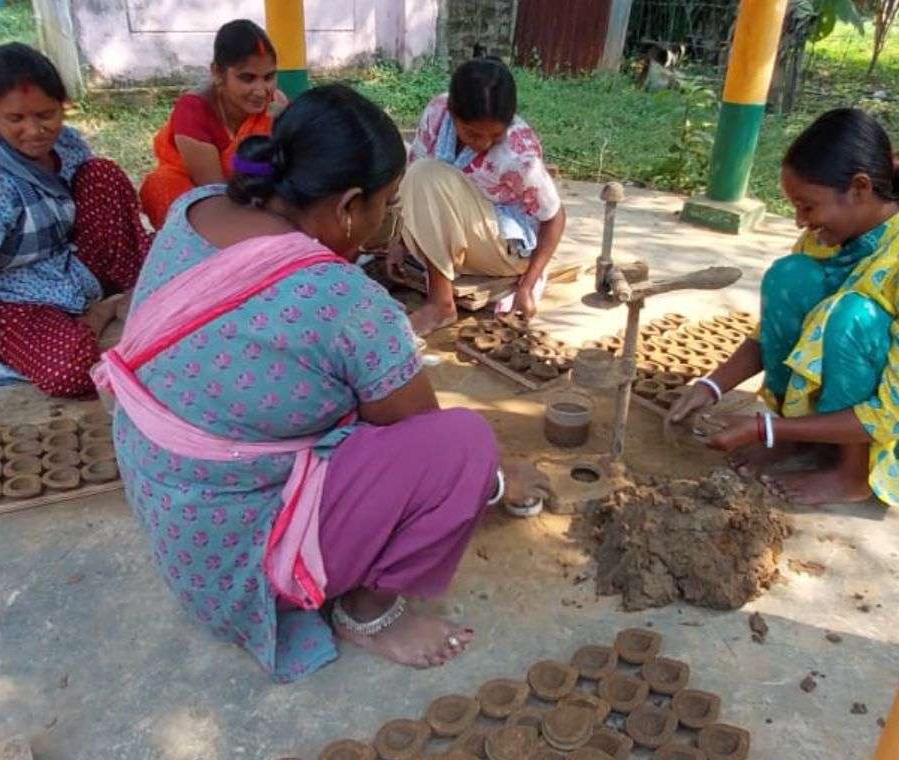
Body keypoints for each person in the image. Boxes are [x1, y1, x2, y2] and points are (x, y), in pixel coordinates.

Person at [96, 84, 549, 682]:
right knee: (464, 444)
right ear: (349, 206)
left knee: (350, 394)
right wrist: (497, 478)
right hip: (247, 566)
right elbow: (428, 441)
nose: (384, 222)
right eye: (386, 206)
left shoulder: (196, 209)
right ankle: (369, 612)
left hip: (179, 529)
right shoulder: (345, 300)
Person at [667, 108, 899, 507]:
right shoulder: (823, 238)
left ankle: (853, 473)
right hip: (873, 393)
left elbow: (897, 413)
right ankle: (798, 433)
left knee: (852, 316)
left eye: (807, 206)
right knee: (788, 276)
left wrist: (763, 428)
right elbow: (768, 335)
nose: (800, 221)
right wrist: (711, 386)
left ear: (859, 188)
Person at [0, 42, 152, 439]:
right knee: (70, 371)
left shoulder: (66, 144)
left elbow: (93, 209)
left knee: (101, 175)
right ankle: (102, 312)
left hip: (70, 266)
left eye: (46, 115)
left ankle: (118, 297)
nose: (35, 130)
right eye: (15, 118)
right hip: (16, 296)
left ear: (62, 106)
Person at [390, 57, 567, 335]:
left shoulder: (518, 153)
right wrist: (397, 241)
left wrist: (527, 287)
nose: (483, 143)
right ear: (452, 113)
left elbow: (555, 217)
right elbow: (413, 179)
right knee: (405, 164)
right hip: (465, 239)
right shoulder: (438, 111)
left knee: (426, 174)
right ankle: (440, 281)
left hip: (506, 250)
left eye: (495, 135)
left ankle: (440, 304)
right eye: (472, 133)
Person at [139, 19, 285, 229]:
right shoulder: (193, 112)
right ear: (217, 73)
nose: (262, 91)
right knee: (161, 184)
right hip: (204, 198)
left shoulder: (275, 105)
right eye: (247, 78)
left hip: (256, 196)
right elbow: (216, 195)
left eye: (269, 77)